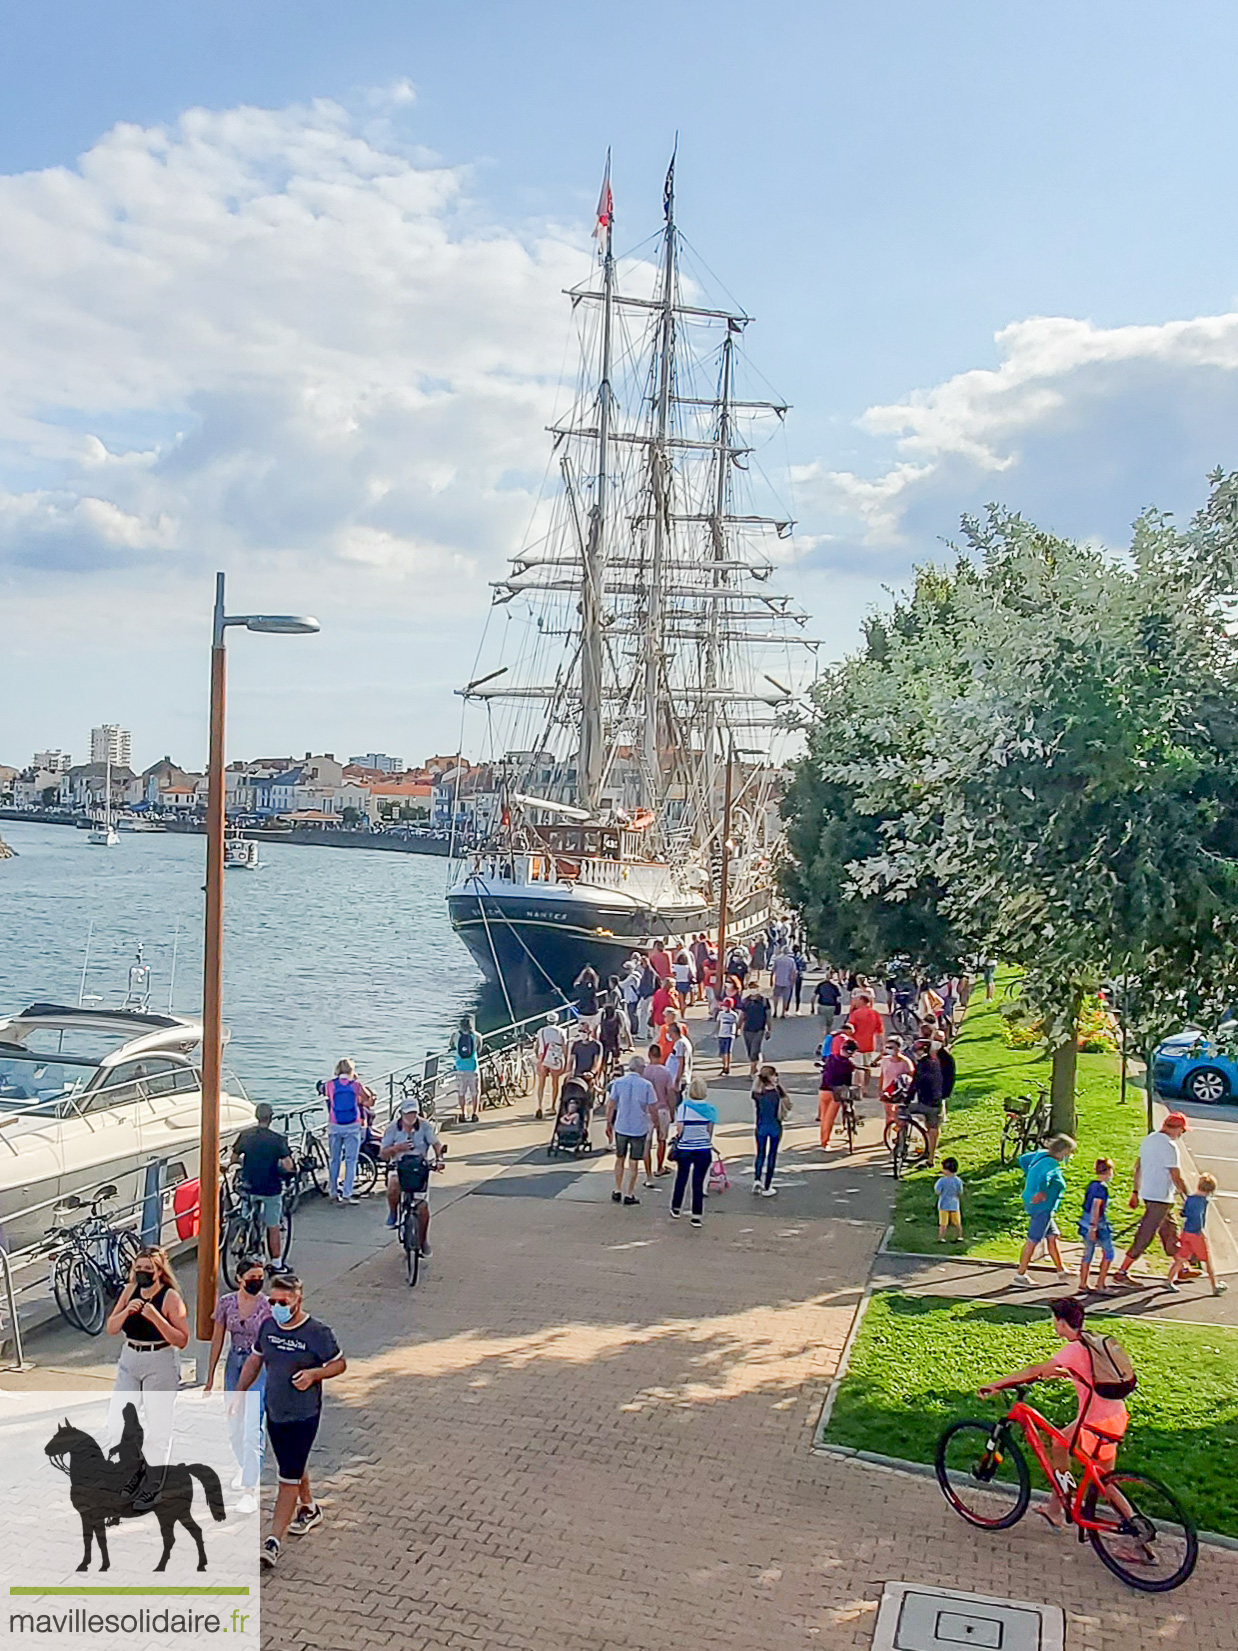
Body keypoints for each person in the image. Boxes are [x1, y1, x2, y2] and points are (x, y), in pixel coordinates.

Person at [977, 1297, 1129, 1529]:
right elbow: (1088, 1374)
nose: (1054, 1325)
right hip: (1113, 1413)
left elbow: (1034, 1370)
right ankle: (1055, 1509)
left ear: (1061, 1322)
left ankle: (1140, 1536)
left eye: (1054, 1321)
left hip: (1095, 1422)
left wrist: (997, 1384)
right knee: (1060, 1444)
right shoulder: (1092, 1340)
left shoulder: (1074, 1349)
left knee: (1105, 1485)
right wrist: (1064, 1373)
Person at [238, 1271, 346, 1570]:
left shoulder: (317, 1333)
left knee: (286, 1477)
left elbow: (339, 1363)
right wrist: (238, 1393)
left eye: (282, 1302)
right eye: (272, 1301)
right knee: (291, 1463)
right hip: (274, 1412)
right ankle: (309, 1508)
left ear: (298, 1300)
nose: (276, 1307)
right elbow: (255, 1359)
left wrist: (314, 1374)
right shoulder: (268, 1326)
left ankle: (272, 1541)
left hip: (304, 1414)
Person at [103, 1245, 190, 1512]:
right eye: (138, 1268)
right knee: (119, 1422)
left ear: (159, 1271)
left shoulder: (170, 1297)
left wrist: (156, 1318)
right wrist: (127, 1310)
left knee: (158, 1426)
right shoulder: (130, 1291)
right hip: (130, 1357)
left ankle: (154, 1482)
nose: (142, 1273)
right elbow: (111, 1328)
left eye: (147, 1269)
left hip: (159, 1360)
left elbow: (182, 1339)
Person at [205, 1255, 272, 1514]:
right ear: (239, 1280)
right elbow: (217, 1339)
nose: (256, 1283)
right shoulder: (226, 1304)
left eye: (260, 1278)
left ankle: (249, 1490)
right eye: (251, 1279)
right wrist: (211, 1375)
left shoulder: (267, 1306)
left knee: (252, 1427)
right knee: (233, 1426)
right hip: (234, 1364)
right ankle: (244, 1466)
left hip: (258, 1366)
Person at [1112, 1113, 1190, 1285]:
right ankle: (1122, 1271)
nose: (1180, 1135)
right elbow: (1176, 1175)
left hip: (1150, 1193)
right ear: (1176, 1129)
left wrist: (1135, 1191)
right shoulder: (1170, 1147)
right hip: (1160, 1196)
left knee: (1170, 1231)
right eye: (1182, 1132)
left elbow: (1138, 1166)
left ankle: (1181, 1268)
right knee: (1146, 1233)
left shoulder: (1150, 1139)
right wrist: (1187, 1196)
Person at [380, 1096, 445, 1254]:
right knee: (393, 1184)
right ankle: (393, 1214)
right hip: (399, 1166)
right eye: (408, 1113)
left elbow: (436, 1144)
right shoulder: (392, 1129)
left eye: (414, 1113)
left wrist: (440, 1158)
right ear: (401, 1113)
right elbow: (382, 1154)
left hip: (418, 1167)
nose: (411, 1117)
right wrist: (397, 1148)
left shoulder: (425, 1126)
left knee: (422, 1207)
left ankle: (423, 1241)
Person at [230, 1102, 294, 1260]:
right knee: (273, 1226)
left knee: (248, 1215)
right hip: (270, 1188)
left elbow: (234, 1158)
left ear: (256, 1116)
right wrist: (291, 1172)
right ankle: (277, 1262)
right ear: (271, 1118)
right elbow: (287, 1165)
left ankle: (245, 1241)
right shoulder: (278, 1140)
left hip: (248, 1185)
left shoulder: (245, 1135)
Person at [1012, 1134, 1077, 1287]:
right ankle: (1020, 1275)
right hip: (1042, 1208)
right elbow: (1045, 1179)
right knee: (1033, 1240)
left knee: (1053, 1236)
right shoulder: (1051, 1164)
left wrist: (1029, 1178)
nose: (1069, 1156)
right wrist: (1040, 1191)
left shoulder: (1041, 1154)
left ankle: (1061, 1270)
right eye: (1069, 1152)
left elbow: (1024, 1159)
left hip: (1040, 1206)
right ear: (1063, 1151)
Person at [606, 1055, 656, 1206]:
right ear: (641, 1068)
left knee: (619, 1158)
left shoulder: (618, 1082)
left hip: (621, 1125)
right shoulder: (646, 1085)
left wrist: (609, 1122)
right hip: (638, 1127)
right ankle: (629, 1193)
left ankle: (617, 1189)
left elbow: (611, 1104)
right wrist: (656, 1124)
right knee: (634, 1162)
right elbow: (652, 1108)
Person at [1166, 1173, 1228, 1295]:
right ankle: (1214, 1285)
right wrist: (1200, 1231)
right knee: (1207, 1260)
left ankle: (1169, 1280)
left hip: (1186, 1232)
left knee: (1181, 1257)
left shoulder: (1191, 1198)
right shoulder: (1202, 1201)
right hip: (1196, 1233)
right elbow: (1198, 1217)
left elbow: (1184, 1213)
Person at [323, 1058, 373, 1205]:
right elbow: (368, 1098)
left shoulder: (330, 1084)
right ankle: (347, 1194)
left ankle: (332, 1192)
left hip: (334, 1124)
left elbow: (328, 1098)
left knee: (334, 1160)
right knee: (351, 1160)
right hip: (352, 1125)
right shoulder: (356, 1085)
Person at [670, 1075, 717, 1227]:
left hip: (685, 1148)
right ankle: (696, 1215)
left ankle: (676, 1208)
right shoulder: (711, 1109)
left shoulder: (683, 1107)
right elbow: (710, 1130)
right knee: (698, 1182)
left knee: (681, 1178)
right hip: (703, 1149)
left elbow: (680, 1128)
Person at [1078, 1158, 1116, 1294]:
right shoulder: (1102, 1188)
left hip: (1084, 1220)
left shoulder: (1091, 1185)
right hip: (1098, 1223)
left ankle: (1083, 1283)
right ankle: (1101, 1284)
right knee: (1109, 1253)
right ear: (1108, 1171)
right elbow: (1096, 1206)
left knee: (1088, 1253)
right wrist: (1093, 1227)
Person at [642, 1044, 677, 1182]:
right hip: (662, 1109)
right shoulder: (666, 1072)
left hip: (647, 1111)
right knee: (662, 1140)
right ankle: (660, 1167)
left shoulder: (644, 1072)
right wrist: (672, 1110)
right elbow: (670, 1093)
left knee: (647, 1143)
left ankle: (648, 1172)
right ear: (661, 1055)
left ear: (649, 1055)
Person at [751, 1065, 786, 1196]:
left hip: (760, 1127)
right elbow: (785, 1100)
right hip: (775, 1127)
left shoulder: (757, 1094)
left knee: (760, 1154)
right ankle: (767, 1186)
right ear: (771, 1077)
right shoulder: (777, 1093)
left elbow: (755, 1090)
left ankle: (757, 1179)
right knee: (772, 1155)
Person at [910, 1039, 945, 1163]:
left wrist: (907, 1098)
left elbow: (915, 1083)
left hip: (924, 1101)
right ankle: (931, 1156)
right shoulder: (938, 1063)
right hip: (937, 1101)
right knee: (934, 1127)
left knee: (903, 1112)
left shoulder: (921, 1065)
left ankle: (907, 1137)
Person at [818, 1038, 857, 1149]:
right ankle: (825, 1142)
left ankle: (822, 1139)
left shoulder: (830, 1058)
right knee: (829, 1118)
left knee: (824, 1116)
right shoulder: (848, 1064)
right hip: (836, 1093)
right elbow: (848, 1082)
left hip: (823, 1089)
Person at [847, 990, 885, 1098]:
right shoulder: (875, 1014)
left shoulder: (855, 1014)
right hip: (870, 1044)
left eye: (856, 1000)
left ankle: (859, 1087)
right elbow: (880, 1031)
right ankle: (865, 1087)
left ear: (862, 1000)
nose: (854, 1002)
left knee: (858, 1067)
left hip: (856, 1044)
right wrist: (882, 1045)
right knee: (867, 1067)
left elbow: (850, 1029)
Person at [534, 1012, 567, 1120]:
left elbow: (537, 1045)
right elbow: (564, 1046)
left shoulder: (541, 1031)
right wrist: (566, 1060)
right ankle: (552, 1106)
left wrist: (538, 1057)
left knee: (541, 1083)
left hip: (543, 1057)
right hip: (555, 1058)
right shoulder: (561, 1031)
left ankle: (539, 1106)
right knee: (555, 1083)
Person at [452, 1014, 483, 1124]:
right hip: (473, 1067)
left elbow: (451, 1046)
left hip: (460, 1068)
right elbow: (479, 1049)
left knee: (461, 1092)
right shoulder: (477, 1036)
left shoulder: (455, 1035)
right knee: (475, 1092)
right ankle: (474, 1114)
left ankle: (462, 1113)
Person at [878, 1036, 916, 1125]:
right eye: (887, 1047)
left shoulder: (906, 1062)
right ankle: (887, 1134)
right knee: (888, 1113)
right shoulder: (885, 1060)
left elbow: (911, 1077)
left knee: (897, 1113)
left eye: (891, 1048)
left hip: (900, 1092)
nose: (889, 1050)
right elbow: (882, 1075)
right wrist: (880, 1089)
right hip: (887, 1091)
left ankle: (899, 1132)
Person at [739, 983, 771, 1076]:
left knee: (754, 1050)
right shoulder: (746, 1001)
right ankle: (756, 1065)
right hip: (747, 1029)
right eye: (751, 988)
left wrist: (769, 1029)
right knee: (750, 1051)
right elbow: (742, 1015)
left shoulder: (764, 1001)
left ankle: (752, 1071)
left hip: (759, 1029)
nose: (753, 990)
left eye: (755, 988)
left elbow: (768, 1016)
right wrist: (738, 1027)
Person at [935, 1157, 963, 1241]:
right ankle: (959, 1236)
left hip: (943, 1204)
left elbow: (937, 1191)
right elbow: (960, 1192)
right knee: (957, 1223)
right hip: (954, 1204)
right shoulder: (958, 1180)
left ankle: (941, 1237)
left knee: (943, 1223)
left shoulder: (942, 1181)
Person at [598, 1000, 629, 1078]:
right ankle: (615, 1071)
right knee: (616, 1058)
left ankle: (603, 1074)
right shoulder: (616, 1016)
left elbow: (598, 1028)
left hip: (606, 1040)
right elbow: (623, 1028)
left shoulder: (603, 1016)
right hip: (613, 1040)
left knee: (603, 1060)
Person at [573, 964, 601, 1033]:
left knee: (583, 1029)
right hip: (593, 1009)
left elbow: (575, 983)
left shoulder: (580, 987)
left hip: (583, 1011)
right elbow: (596, 980)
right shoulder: (593, 987)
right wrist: (592, 973)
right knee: (594, 1029)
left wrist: (582, 973)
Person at [770, 948, 797, 1018]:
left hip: (778, 981)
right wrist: (792, 982)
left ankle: (775, 1011)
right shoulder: (791, 961)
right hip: (787, 981)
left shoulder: (777, 959)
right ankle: (783, 1012)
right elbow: (793, 972)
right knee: (785, 998)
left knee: (776, 997)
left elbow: (773, 970)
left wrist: (771, 980)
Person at [716, 997, 739, 1076]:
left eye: (727, 1006)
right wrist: (716, 1033)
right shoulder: (721, 1014)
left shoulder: (734, 1015)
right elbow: (718, 1023)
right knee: (722, 1052)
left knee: (728, 1051)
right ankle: (723, 1065)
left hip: (729, 1035)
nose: (725, 1007)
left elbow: (737, 1024)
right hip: (721, 1034)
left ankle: (727, 1067)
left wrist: (736, 1032)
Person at [792, 948, 807, 1013]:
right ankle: (797, 1009)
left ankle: (786, 1009)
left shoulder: (791, 958)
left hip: (790, 976)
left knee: (789, 993)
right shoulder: (801, 958)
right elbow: (804, 968)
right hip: (799, 976)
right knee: (797, 993)